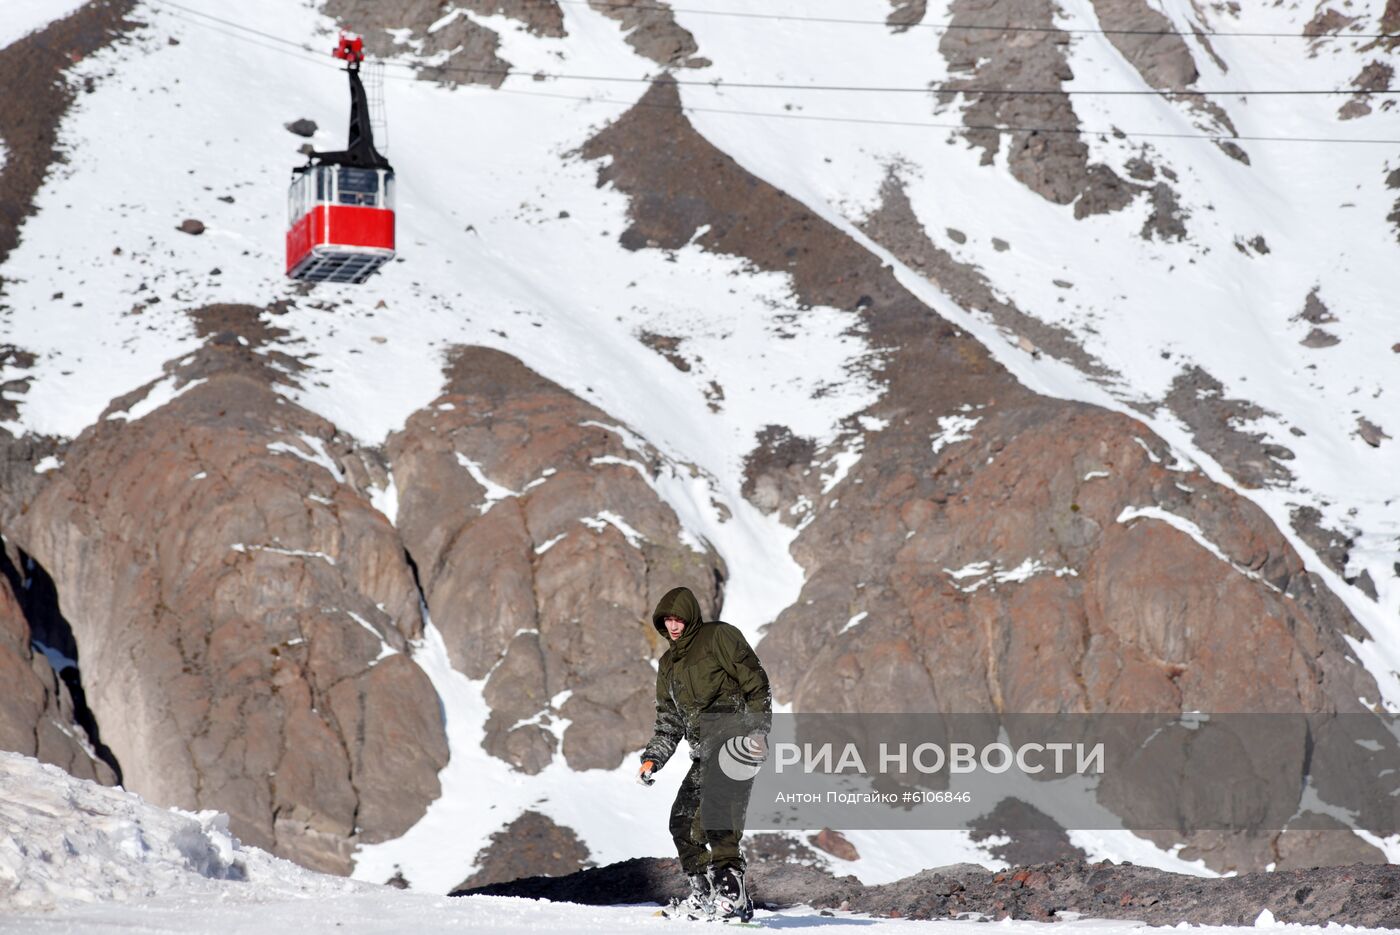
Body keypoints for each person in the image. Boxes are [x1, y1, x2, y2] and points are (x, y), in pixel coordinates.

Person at [636, 586, 771, 922]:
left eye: (679, 617)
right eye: (667, 619)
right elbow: (668, 720)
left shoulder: (718, 637)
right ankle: (705, 896)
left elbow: (755, 682)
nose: (673, 625)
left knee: (716, 813)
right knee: (682, 822)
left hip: (734, 738)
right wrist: (653, 758)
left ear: (691, 616)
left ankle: (732, 896)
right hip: (704, 752)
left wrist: (758, 730)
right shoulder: (667, 664)